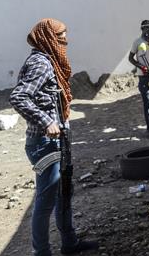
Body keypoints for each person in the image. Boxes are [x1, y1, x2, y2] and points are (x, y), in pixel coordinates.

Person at [9, 18, 98, 256]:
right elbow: (19, 97)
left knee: (64, 194)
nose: (65, 42)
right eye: (61, 38)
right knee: (46, 201)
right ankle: (42, 252)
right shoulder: (41, 64)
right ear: (49, 38)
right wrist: (46, 120)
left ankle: (69, 244)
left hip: (60, 140)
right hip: (45, 143)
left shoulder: (50, 61)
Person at [128, 20, 149, 136]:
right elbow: (131, 58)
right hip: (144, 78)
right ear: (143, 29)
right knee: (148, 103)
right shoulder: (137, 42)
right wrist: (141, 66)